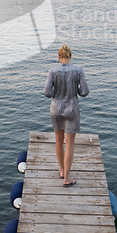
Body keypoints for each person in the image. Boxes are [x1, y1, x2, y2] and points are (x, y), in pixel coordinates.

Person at [44, 45, 89, 187]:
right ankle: (67, 178)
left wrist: (55, 95)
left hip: (56, 108)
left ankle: (62, 170)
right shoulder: (78, 70)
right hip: (72, 108)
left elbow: (46, 92)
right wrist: (76, 92)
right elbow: (85, 91)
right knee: (69, 143)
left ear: (59, 57)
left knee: (58, 140)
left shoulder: (53, 70)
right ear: (70, 57)